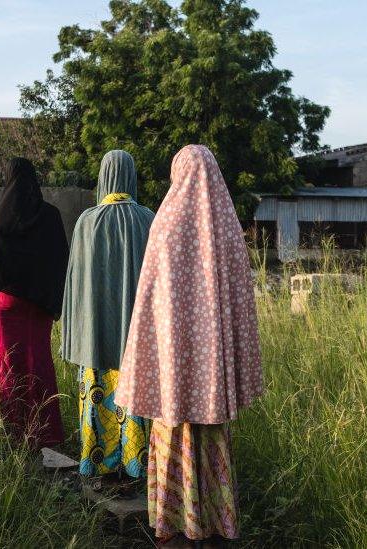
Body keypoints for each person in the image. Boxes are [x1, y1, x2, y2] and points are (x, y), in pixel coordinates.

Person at [115, 145, 264, 546]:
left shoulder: (165, 223)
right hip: (212, 377)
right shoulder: (230, 231)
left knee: (172, 438)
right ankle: (216, 523)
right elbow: (240, 305)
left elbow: (150, 304)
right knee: (211, 439)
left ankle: (175, 522)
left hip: (173, 376)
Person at [61, 150, 155, 485]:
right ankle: (136, 462)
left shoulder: (87, 221)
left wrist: (73, 332)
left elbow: (75, 284)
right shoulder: (149, 219)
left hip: (96, 335)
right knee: (138, 400)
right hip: (139, 337)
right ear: (131, 176)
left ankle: (97, 460)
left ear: (102, 176)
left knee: (98, 394)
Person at [0, 157, 69, 448]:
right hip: (40, 309)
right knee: (38, 365)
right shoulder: (51, 217)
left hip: (6, 309)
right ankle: (44, 433)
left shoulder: (2, 219)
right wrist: (55, 305)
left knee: (6, 368)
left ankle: (9, 433)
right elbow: (62, 263)